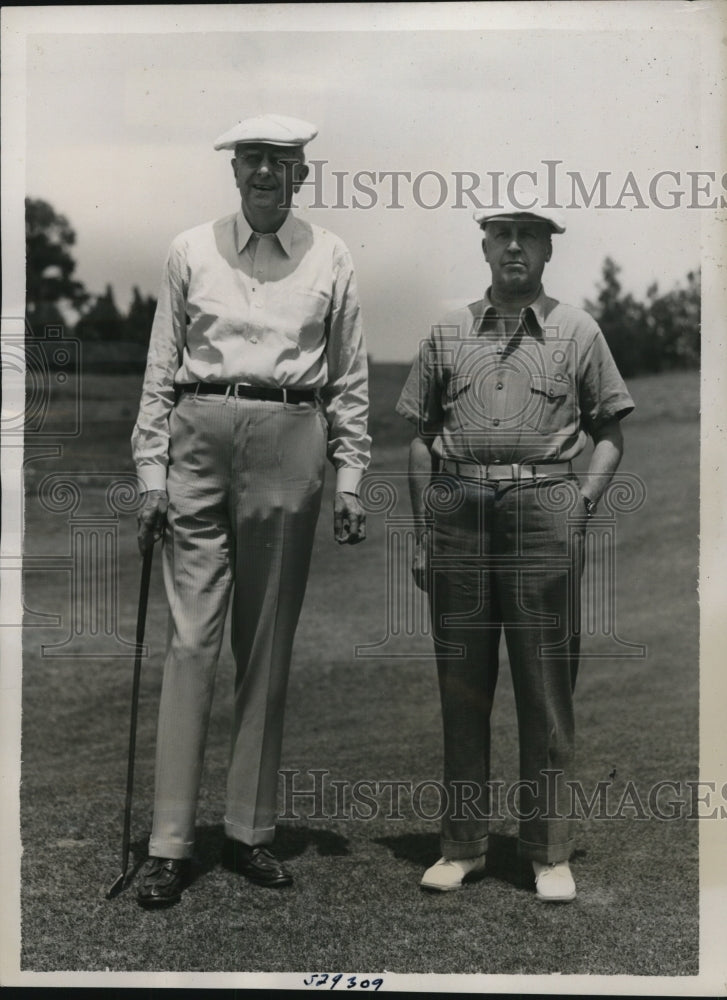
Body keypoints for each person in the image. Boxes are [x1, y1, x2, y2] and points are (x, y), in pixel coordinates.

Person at [131, 113, 370, 907]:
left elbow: (348, 377)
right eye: (251, 160)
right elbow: (162, 365)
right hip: (199, 434)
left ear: (303, 174)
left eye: (282, 161)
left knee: (265, 642)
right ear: (234, 172)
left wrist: (349, 477)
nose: (265, 173)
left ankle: (248, 832)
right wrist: (150, 474)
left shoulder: (329, 253)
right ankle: (170, 844)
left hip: (290, 437)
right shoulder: (189, 249)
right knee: (190, 641)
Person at [395, 194, 634, 902]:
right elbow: (416, 434)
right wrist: (421, 532)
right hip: (458, 511)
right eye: (502, 234)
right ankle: (461, 846)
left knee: (545, 684)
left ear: (547, 249)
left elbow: (610, 432)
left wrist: (579, 507)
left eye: (528, 236)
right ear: (483, 246)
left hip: (543, 510)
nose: (514, 248)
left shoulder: (577, 331)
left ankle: (547, 851)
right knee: (462, 685)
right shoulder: (445, 330)